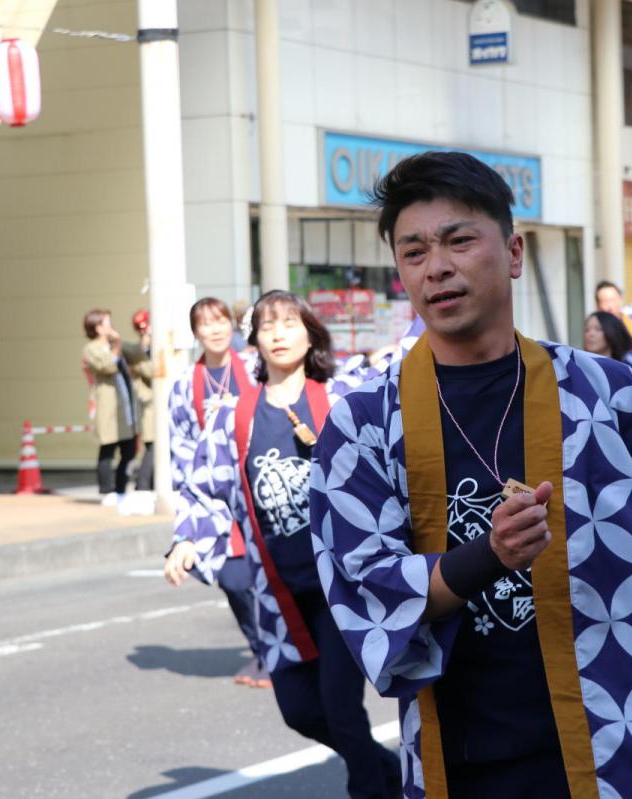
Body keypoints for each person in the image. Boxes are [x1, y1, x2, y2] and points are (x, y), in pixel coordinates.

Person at [311, 151, 632, 798]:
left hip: (626, 733)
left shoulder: (605, 390)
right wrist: (488, 555)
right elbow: (367, 584)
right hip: (461, 751)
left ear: (513, 252)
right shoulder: (363, 422)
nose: (438, 266)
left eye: (459, 240)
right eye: (415, 251)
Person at [169, 290, 402, 799]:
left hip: (341, 585)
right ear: (253, 340)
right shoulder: (233, 416)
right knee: (300, 711)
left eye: (290, 323)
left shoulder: (342, 397)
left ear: (311, 334)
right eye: (267, 326)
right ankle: (388, 770)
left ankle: (372, 789)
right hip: (277, 589)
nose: (278, 334)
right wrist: (187, 538)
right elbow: (203, 487)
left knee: (341, 708)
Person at [166, 297, 267, 687]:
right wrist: (186, 521)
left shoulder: (256, 369)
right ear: (196, 332)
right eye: (206, 324)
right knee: (234, 578)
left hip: (260, 486)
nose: (215, 329)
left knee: (276, 574)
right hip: (215, 496)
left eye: (221, 320)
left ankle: (278, 655)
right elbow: (180, 448)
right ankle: (264, 650)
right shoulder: (182, 386)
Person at [81, 309, 144, 506]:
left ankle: (121, 489)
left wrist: (145, 336)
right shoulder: (91, 348)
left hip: (125, 406)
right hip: (108, 407)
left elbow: (137, 354)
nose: (111, 326)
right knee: (107, 449)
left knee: (129, 451)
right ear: (98, 327)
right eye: (107, 323)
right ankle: (107, 491)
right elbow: (107, 366)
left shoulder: (115, 344)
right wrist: (116, 348)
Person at [126, 309, 156, 515]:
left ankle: (148, 487)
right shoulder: (136, 352)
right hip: (150, 405)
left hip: (155, 405)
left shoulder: (148, 348)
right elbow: (151, 371)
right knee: (152, 446)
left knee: (156, 448)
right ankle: (142, 488)